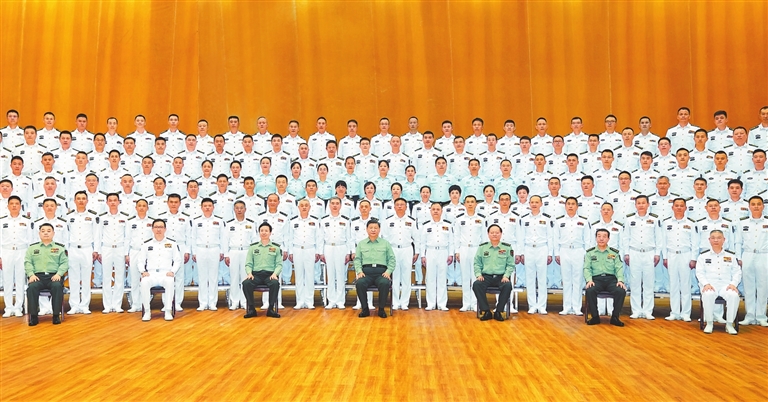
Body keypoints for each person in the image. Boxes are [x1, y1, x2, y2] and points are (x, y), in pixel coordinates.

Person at [136, 219, 183, 321]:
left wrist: (173, 271)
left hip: (165, 273)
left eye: (161, 227)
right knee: (144, 282)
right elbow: (140, 261)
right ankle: (147, 311)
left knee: (170, 282)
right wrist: (143, 271)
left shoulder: (172, 244)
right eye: (156, 227)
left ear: (165, 229)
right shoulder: (146, 244)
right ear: (152, 229)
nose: (158, 229)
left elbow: (177, 260)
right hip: (151, 274)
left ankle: (168, 311)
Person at [696, 230, 741, 335]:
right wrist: (705, 284)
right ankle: (709, 323)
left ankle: (729, 324)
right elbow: (699, 272)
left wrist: (733, 284)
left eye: (719, 238)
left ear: (724, 240)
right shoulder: (703, 256)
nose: (716, 240)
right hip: (710, 285)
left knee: (734, 295)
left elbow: (737, 272)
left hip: (726, 285)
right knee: (708, 294)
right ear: (709, 240)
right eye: (713, 238)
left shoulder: (731, 256)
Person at [24, 223, 68, 325]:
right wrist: (31, 274)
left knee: (57, 286)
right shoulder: (32, 248)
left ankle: (56, 315)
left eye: (49, 231)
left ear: (53, 233)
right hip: (37, 277)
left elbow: (64, 263)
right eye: (43, 231)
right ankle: (33, 316)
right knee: (32, 288)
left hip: (54, 276)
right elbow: (27, 262)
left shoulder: (60, 248)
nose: (46, 233)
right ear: (39, 234)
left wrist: (59, 274)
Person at [353, 219, 396, 318]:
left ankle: (381, 309)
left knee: (385, 283)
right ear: (367, 229)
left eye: (375, 228)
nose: (373, 230)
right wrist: (359, 271)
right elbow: (357, 259)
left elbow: (392, 259)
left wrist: (388, 272)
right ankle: (365, 309)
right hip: (366, 273)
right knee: (360, 283)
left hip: (381, 273)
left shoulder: (385, 243)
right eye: (371, 228)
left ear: (379, 230)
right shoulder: (361, 244)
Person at [735, 196, 768, 327]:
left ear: (763, 206)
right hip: (747, 255)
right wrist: (739, 257)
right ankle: (749, 316)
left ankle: (761, 316)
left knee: (763, 287)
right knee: (748, 287)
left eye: (758, 204)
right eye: (753, 204)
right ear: (749, 206)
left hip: (764, 255)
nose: (756, 206)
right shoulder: (742, 223)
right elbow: (738, 241)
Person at [584, 229, 627, 326]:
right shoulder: (590, 253)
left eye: (604, 236)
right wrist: (589, 280)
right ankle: (595, 317)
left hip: (611, 280)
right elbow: (587, 268)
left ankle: (615, 317)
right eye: (599, 236)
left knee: (620, 291)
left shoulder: (614, 253)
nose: (601, 239)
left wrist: (620, 280)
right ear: (596, 238)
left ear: (608, 239)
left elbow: (619, 268)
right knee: (590, 290)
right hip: (596, 279)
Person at [472, 224, 515, 321]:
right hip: (486, 276)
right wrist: (478, 275)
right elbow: (477, 263)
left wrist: (506, 276)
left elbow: (510, 264)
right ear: (488, 234)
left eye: (497, 233)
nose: (494, 234)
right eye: (492, 233)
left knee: (507, 286)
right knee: (477, 285)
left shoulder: (507, 248)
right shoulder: (482, 247)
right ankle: (486, 311)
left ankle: (498, 311)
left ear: (501, 234)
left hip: (501, 277)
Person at [1, 196, 34, 317]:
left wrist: (30, 256)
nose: (14, 206)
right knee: (7, 280)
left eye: (16, 203)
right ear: (8, 206)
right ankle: (8, 307)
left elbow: (31, 239)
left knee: (20, 280)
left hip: (22, 251)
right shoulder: (2, 220)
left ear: (20, 206)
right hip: (6, 251)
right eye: (12, 203)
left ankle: (18, 307)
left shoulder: (27, 221)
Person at [242, 222, 283, 318]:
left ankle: (271, 309)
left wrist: (275, 274)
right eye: (261, 231)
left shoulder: (276, 248)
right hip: (256, 275)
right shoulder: (253, 247)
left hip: (270, 275)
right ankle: (251, 309)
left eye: (266, 231)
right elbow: (248, 263)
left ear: (270, 233)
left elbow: (279, 264)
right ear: (259, 232)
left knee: (275, 284)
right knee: (246, 283)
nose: (264, 233)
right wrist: (249, 273)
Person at [420, 202, 455, 311]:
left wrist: (451, 254)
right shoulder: (426, 225)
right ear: (430, 211)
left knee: (442, 278)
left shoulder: (448, 225)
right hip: (430, 252)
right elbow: (422, 242)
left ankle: (442, 303)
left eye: (438, 209)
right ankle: (430, 303)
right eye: (433, 209)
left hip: (443, 252)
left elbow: (451, 241)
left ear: (441, 211)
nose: (435, 211)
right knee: (430, 278)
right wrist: (422, 255)